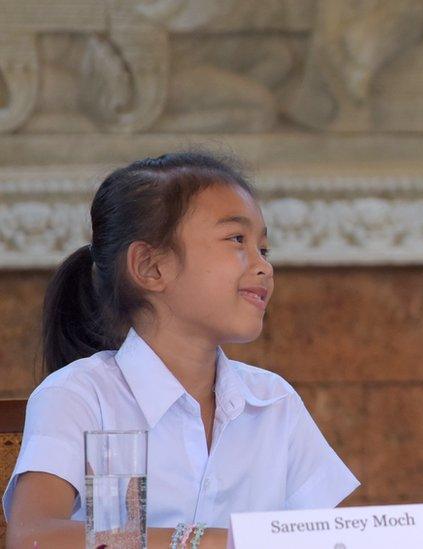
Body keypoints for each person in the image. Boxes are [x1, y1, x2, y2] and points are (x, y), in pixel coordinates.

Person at [3, 152, 359, 548]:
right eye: (237, 240)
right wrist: (214, 543)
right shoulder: (78, 396)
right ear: (151, 267)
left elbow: (329, 540)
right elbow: (34, 537)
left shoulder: (275, 402)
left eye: (265, 249)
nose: (264, 267)